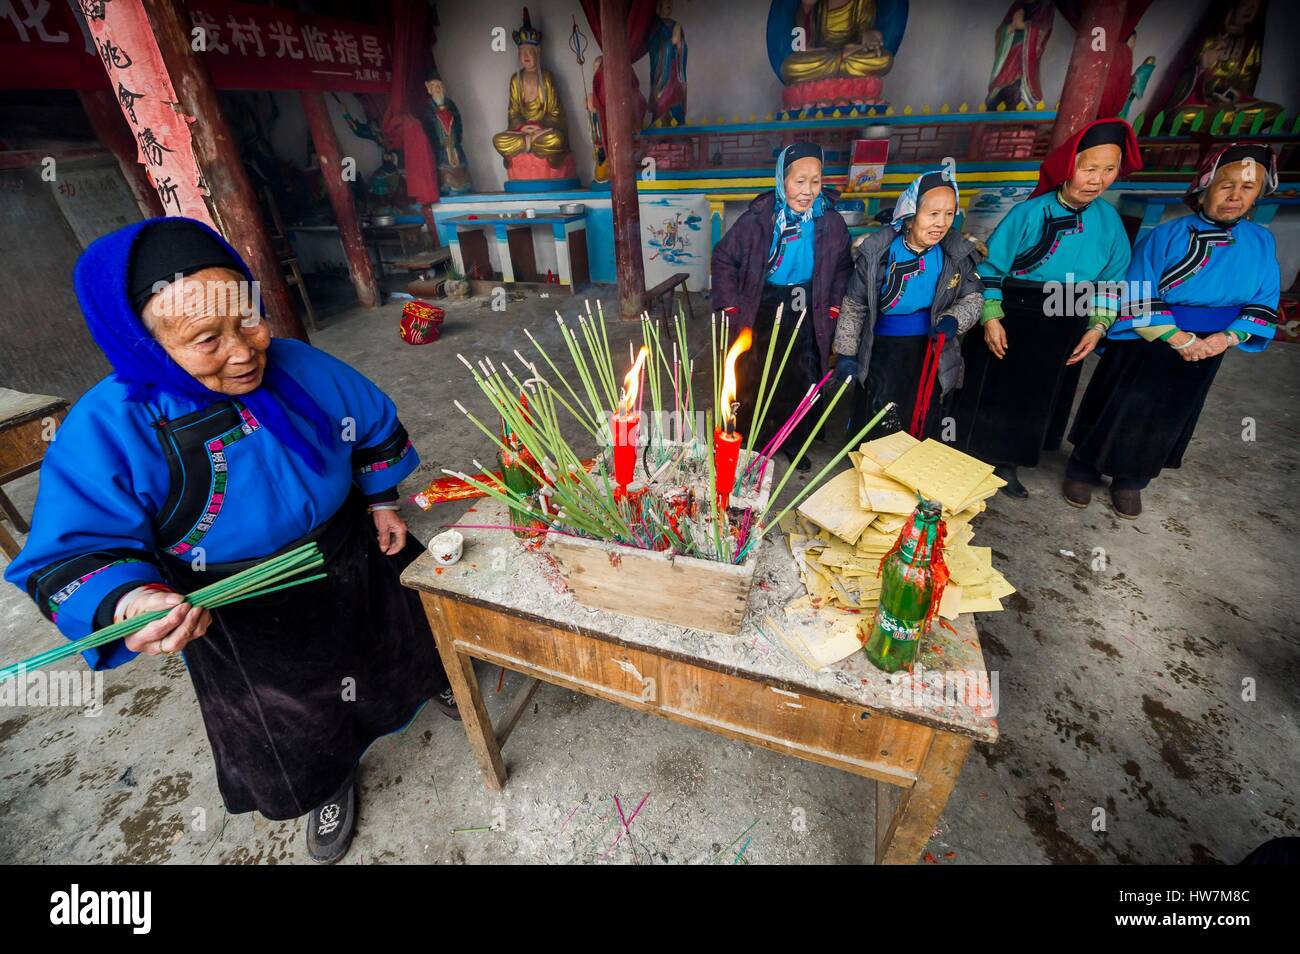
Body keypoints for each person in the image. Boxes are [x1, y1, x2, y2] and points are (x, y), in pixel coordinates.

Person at [4, 217, 455, 864]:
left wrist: (381, 500)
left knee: (404, 638)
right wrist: (130, 602)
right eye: (204, 339)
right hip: (237, 604)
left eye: (247, 320)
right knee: (294, 718)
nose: (243, 351)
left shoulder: (299, 365)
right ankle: (327, 783)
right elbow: (76, 549)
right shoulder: (111, 425)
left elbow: (372, 422)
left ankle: (431, 685)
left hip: (351, 548)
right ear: (145, 344)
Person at [1064, 142, 1281, 518]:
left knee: (1169, 415)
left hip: (1210, 347)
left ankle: (1132, 481)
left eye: (1248, 188)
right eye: (1226, 185)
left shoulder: (1261, 242)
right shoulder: (1168, 235)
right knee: (1118, 406)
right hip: (1147, 340)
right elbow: (1136, 288)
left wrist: (1226, 338)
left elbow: (1264, 298)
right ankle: (1083, 468)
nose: (1235, 196)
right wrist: (1177, 338)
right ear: (1205, 187)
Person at [951, 118, 1142, 497]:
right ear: (1069, 166)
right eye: (1089, 168)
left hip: (1068, 317)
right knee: (992, 386)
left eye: (1108, 170)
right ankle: (967, 454)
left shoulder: (1110, 223)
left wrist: (1097, 325)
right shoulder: (1028, 213)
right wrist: (991, 317)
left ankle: (1009, 462)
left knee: (1039, 394)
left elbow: (1111, 280)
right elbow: (990, 270)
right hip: (1016, 311)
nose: (1097, 179)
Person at [710, 141, 852, 470]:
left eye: (815, 181)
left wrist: (833, 307)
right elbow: (723, 259)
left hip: (808, 304)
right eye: (799, 181)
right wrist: (731, 306)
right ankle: (752, 441)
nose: (807, 190)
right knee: (755, 373)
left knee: (801, 376)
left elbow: (844, 267)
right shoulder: (759, 220)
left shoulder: (830, 223)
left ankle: (793, 441)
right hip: (762, 301)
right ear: (782, 180)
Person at [832, 169, 984, 440]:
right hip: (881, 348)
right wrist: (846, 353)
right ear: (910, 215)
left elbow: (973, 297)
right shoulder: (877, 253)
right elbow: (854, 305)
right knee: (878, 408)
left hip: (928, 348)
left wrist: (954, 319)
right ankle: (871, 467)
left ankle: (909, 468)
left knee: (920, 410)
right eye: (933, 213)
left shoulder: (956, 255)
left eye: (949, 214)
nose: (941, 223)